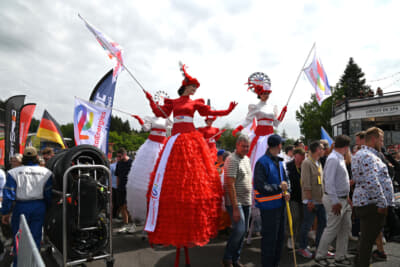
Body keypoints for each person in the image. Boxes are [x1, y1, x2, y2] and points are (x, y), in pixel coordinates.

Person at [144, 63, 237, 249]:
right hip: (175, 140)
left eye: (196, 87)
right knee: (171, 176)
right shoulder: (174, 102)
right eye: (194, 85)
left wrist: (227, 111)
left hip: (190, 138)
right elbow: (159, 113)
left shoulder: (196, 103)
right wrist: (149, 99)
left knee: (194, 177)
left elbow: (210, 112)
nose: (195, 89)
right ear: (186, 85)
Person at [1, 147, 52, 266]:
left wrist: (5, 212)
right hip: (39, 206)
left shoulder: (13, 172)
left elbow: (8, 195)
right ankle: (34, 263)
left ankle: (19, 263)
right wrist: (48, 208)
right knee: (36, 237)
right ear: (36, 158)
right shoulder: (46, 172)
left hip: (21, 207)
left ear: (23, 158)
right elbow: (48, 194)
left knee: (19, 237)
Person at [351, 127, 394, 267]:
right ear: (374, 139)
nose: (382, 143)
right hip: (372, 204)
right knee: (367, 242)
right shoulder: (368, 156)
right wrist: (382, 203)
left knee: (365, 240)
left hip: (368, 202)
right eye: (381, 140)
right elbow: (372, 182)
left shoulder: (361, 154)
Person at [232, 73, 287, 171]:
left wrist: (283, 113)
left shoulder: (272, 107)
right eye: (263, 93)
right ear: (259, 94)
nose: (265, 95)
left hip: (270, 135)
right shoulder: (255, 107)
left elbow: (276, 123)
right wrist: (238, 128)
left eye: (267, 93)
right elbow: (247, 120)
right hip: (260, 136)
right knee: (258, 156)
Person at [126, 115, 171, 225]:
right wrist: (139, 119)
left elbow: (171, 128)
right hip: (151, 145)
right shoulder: (151, 118)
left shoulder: (167, 119)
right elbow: (145, 128)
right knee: (145, 174)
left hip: (163, 144)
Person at [314, 135, 352, 266]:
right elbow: (329, 182)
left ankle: (340, 256)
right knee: (332, 229)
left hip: (342, 199)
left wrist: (346, 198)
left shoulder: (338, 158)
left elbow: (337, 181)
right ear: (346, 147)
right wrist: (336, 201)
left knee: (345, 228)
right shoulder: (333, 159)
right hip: (335, 199)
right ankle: (320, 256)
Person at [253, 134, 290, 267]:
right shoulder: (262, 162)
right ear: (279, 146)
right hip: (268, 208)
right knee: (270, 241)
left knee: (280, 239)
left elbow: (286, 180)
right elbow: (260, 186)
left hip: (280, 206)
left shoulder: (279, 161)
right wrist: (279, 188)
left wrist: (287, 191)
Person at [222, 135, 252, 267]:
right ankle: (227, 257)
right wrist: (234, 207)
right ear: (237, 145)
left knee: (244, 231)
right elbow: (230, 184)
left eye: (247, 146)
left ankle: (235, 258)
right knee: (239, 230)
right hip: (236, 202)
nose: (246, 148)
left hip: (246, 200)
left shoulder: (247, 159)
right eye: (243, 146)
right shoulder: (232, 159)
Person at [298, 140, 326, 259]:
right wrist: (309, 200)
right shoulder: (306, 163)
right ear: (316, 150)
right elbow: (306, 183)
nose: (323, 150)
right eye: (321, 148)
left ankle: (320, 248)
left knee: (322, 224)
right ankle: (302, 248)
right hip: (311, 200)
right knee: (307, 225)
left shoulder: (318, 162)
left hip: (320, 200)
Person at [285, 147, 306, 249]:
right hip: (293, 197)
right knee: (294, 217)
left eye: (303, 156)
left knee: (302, 219)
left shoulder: (305, 166)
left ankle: (297, 239)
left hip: (303, 197)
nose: (302, 158)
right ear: (295, 155)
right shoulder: (288, 166)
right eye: (300, 156)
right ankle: (290, 237)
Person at [115, 147, 134, 233]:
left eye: (119, 156)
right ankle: (125, 224)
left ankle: (132, 224)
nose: (118, 158)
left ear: (124, 155)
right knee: (122, 206)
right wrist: (117, 187)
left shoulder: (132, 162)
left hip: (130, 187)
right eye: (117, 156)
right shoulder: (119, 163)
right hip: (121, 188)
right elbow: (117, 176)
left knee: (128, 207)